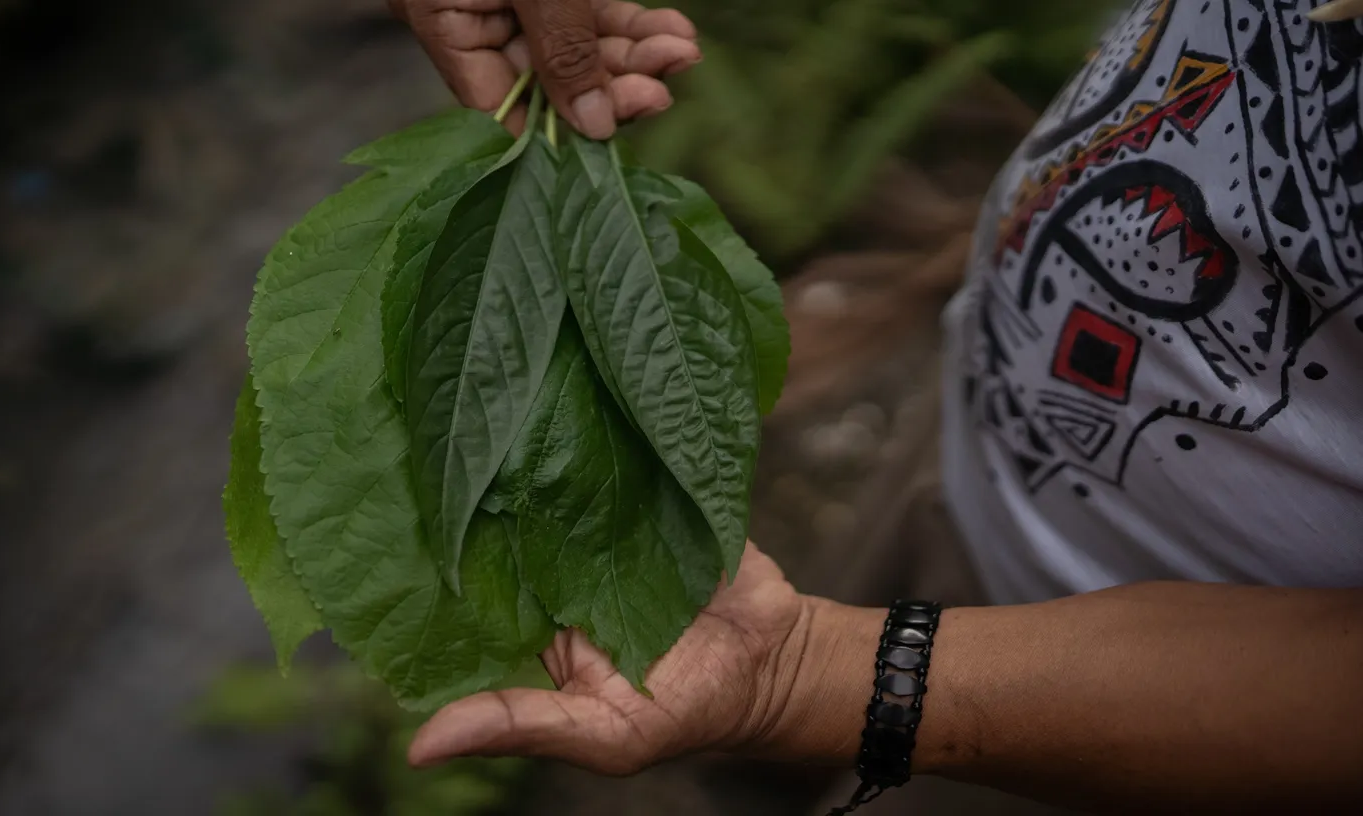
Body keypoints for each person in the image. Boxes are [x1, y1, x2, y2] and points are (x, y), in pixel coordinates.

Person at [388, 0, 1363, 812]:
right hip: (989, 439)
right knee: (753, 714)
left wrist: (813, 677)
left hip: (1162, 717)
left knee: (777, 704)